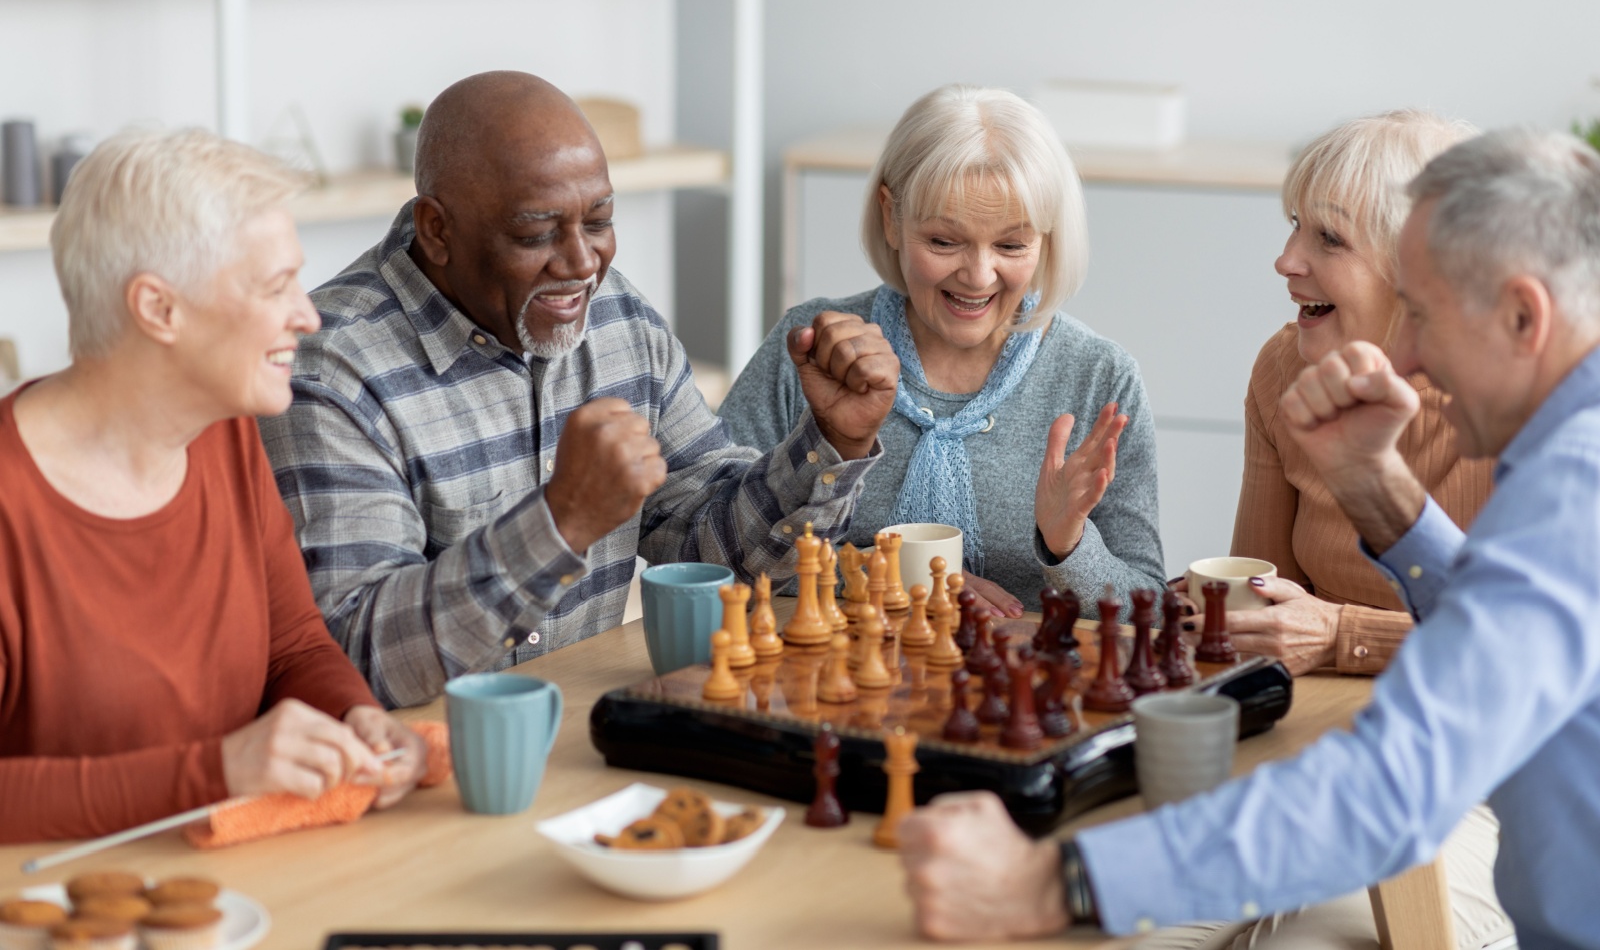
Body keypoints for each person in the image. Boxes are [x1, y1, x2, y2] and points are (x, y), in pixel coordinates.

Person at [900, 128, 1600, 949]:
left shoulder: (1573, 488)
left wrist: (1054, 883)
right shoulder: (1565, 455)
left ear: (1524, 315)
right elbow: (1504, 639)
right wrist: (1377, 491)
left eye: (1425, 316)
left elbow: (1391, 790)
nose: (1407, 354)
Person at [259, 71, 898, 709]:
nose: (582, 263)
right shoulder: (328, 369)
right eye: (535, 234)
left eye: (599, 221)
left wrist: (832, 443)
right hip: (414, 772)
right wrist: (560, 523)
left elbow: (712, 547)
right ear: (437, 230)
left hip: (578, 738)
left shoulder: (615, 317)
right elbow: (353, 659)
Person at [0, 129, 426, 843]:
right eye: (274, 286)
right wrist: (218, 771)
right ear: (159, 309)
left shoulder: (223, 431)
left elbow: (292, 649)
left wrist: (358, 720)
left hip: (229, 882)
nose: (308, 314)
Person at [720, 85, 1164, 616]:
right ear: (891, 218)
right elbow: (711, 553)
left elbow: (1152, 610)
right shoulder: (812, 348)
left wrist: (1068, 544)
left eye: (1011, 245)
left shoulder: (1099, 377)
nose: (978, 276)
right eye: (944, 242)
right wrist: (881, 576)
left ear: (1046, 239)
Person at [1227, 110, 1491, 679]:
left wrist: (1341, 635)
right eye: (1296, 224)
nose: (1286, 260)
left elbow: (1534, 645)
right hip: (1321, 708)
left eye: (1329, 238)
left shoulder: (1530, 407)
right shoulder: (1283, 368)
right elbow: (1266, 587)